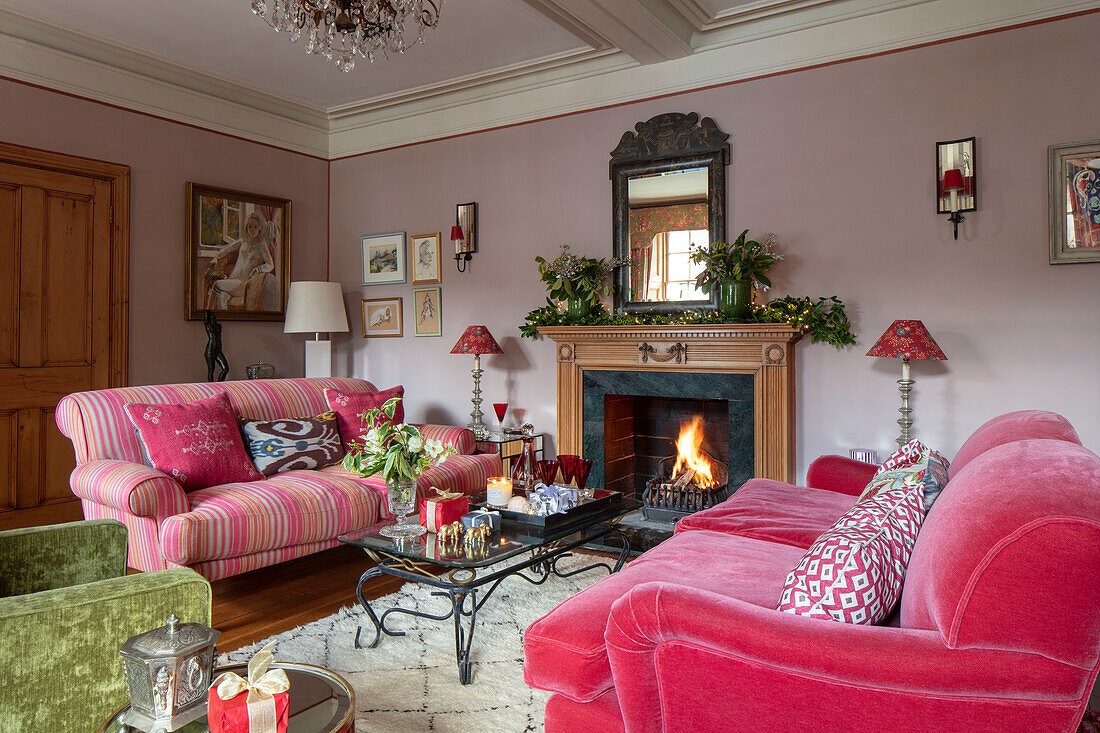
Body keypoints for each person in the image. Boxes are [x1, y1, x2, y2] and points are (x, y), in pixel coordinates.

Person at [204, 212, 276, 311]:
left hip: (244, 284)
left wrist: (259, 269)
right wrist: (215, 258)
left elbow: (270, 264)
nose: (252, 230)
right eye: (249, 226)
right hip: (233, 281)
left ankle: (206, 312)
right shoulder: (243, 242)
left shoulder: (262, 246)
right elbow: (226, 249)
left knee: (217, 284)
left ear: (260, 228)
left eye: (255, 227)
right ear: (246, 228)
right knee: (221, 298)